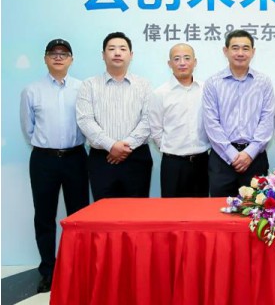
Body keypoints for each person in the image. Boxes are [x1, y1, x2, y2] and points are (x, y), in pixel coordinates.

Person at [20, 39, 89, 293]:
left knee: (79, 216)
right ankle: (48, 270)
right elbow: (28, 129)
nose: (58, 57)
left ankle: (79, 268)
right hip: (43, 159)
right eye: (53, 53)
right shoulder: (31, 90)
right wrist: (45, 147)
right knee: (44, 216)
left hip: (75, 157)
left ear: (71, 59)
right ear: (45, 58)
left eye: (64, 53)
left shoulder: (82, 88)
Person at [76, 32, 153, 200]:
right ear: (103, 55)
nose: (117, 53)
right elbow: (85, 120)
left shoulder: (144, 85)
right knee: (104, 211)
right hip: (102, 159)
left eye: (123, 49)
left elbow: (149, 119)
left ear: (131, 55)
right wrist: (111, 145)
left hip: (136, 158)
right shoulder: (89, 85)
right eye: (111, 49)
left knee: (137, 212)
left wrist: (125, 146)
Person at [202, 29, 275, 197]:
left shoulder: (263, 82)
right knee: (219, 209)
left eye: (245, 48)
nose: (240, 53)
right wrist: (232, 154)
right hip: (221, 160)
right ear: (225, 51)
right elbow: (211, 122)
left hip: (255, 159)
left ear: (253, 52)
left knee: (256, 209)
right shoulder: (213, 83)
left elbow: (267, 120)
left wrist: (249, 153)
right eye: (235, 48)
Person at [149, 43, 210, 197]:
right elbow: (156, 130)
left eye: (187, 58)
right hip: (173, 165)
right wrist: (171, 149)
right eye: (177, 59)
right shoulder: (160, 93)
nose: (182, 63)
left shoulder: (206, 89)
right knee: (172, 209)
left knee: (201, 209)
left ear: (195, 62)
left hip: (202, 162)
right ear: (169, 64)